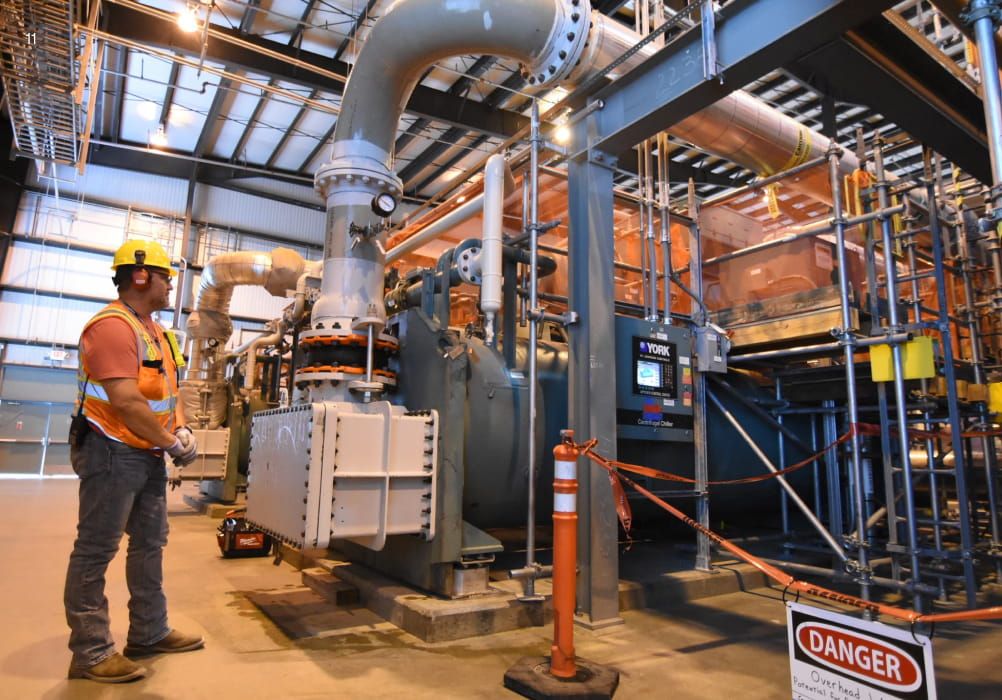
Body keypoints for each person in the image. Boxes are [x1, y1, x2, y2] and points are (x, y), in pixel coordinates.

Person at [64, 239, 204, 683]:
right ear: (140, 276)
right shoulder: (111, 327)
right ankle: (90, 653)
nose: (169, 287)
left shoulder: (156, 331)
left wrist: (179, 427)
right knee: (96, 550)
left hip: (145, 451)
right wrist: (171, 442)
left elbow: (167, 389)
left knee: (150, 543)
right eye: (165, 277)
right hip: (111, 449)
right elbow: (124, 400)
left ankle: (148, 631)